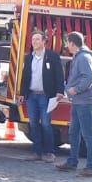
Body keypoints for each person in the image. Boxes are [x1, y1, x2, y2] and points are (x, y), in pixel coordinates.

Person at [56, 31, 92, 176]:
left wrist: (76, 89)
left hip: (84, 101)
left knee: (87, 134)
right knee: (74, 132)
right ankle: (72, 162)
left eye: (67, 42)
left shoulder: (83, 58)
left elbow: (89, 78)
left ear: (72, 43)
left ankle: (91, 167)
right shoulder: (80, 57)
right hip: (79, 101)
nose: (66, 45)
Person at [22, 29, 65, 162]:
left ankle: (49, 152)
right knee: (33, 124)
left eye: (37, 39)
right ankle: (36, 152)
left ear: (44, 41)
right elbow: (25, 76)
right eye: (33, 39)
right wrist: (22, 94)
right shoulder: (29, 57)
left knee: (46, 124)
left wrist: (60, 91)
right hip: (31, 96)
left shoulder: (52, 56)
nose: (34, 42)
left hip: (45, 96)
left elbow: (59, 74)